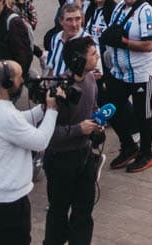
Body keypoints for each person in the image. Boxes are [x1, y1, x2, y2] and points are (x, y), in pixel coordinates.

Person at [0, 60, 60, 245]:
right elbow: (40, 141)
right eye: (20, 76)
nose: (23, 81)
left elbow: (19, 121)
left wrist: (41, 109)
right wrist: (52, 110)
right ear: (7, 83)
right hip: (8, 200)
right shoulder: (6, 116)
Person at [43, 36, 105, 245]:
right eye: (93, 54)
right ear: (79, 60)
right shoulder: (58, 90)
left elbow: (93, 106)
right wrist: (80, 129)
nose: (98, 57)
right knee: (58, 212)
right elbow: (49, 133)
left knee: (84, 210)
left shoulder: (90, 79)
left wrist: (97, 122)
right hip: (61, 160)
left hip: (84, 156)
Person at [101, 0, 152, 173]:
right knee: (111, 108)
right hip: (120, 72)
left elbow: (149, 45)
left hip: (142, 73)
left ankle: (146, 153)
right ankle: (128, 146)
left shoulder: (146, 12)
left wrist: (124, 42)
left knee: (142, 113)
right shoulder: (119, 8)